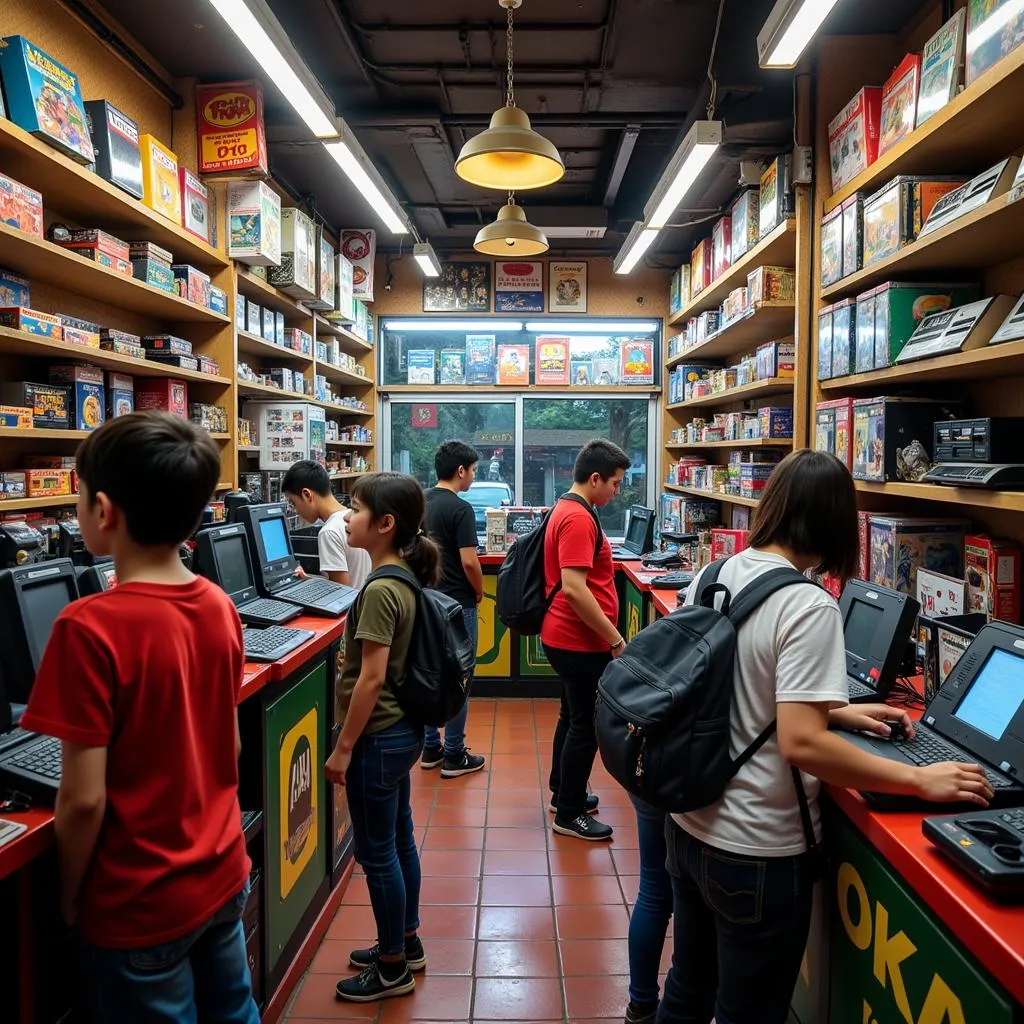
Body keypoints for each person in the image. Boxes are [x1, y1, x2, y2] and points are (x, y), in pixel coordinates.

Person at [659, 449, 994, 1024]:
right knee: (748, 1013)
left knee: (687, 990)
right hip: (758, 849)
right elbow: (801, 746)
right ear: (837, 521)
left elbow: (734, 684)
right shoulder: (809, 604)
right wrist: (919, 778)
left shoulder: (715, 576)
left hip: (691, 825)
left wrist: (835, 712)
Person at [21, 412, 258, 1024]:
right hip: (223, 870)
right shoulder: (217, 604)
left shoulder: (86, 626)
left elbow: (81, 802)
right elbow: (227, 746)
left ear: (103, 511)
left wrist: (72, 899)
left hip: (138, 902)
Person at [325, 472, 440, 1003]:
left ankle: (391, 966)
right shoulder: (403, 579)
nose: (346, 517)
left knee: (377, 858)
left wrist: (343, 747)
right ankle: (405, 942)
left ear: (386, 524)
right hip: (404, 734)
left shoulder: (378, 590)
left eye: (355, 508)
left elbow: (371, 678)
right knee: (397, 842)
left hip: (376, 737)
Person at [542, 438, 631, 841]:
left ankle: (564, 792)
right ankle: (571, 813)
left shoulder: (570, 507)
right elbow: (575, 588)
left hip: (568, 638)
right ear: (594, 478)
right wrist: (615, 638)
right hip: (578, 641)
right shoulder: (578, 518)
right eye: (614, 483)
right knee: (586, 726)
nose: (616, 491)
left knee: (571, 716)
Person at [421, 440, 486, 777]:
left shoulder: (419, 502)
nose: (473, 477)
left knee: (430, 673)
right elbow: (469, 561)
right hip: (457, 605)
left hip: (425, 600)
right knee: (460, 677)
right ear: (460, 471)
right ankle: (455, 753)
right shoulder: (461, 509)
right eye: (473, 470)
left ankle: (430, 747)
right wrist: (480, 591)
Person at [282, 459, 371, 588]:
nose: (296, 510)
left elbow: (341, 594)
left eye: (293, 503)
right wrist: (309, 579)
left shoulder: (329, 532)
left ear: (307, 495)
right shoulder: (353, 518)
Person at [624, 796, 673, 1024]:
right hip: (696, 795)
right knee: (688, 901)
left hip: (649, 778)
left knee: (652, 893)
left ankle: (640, 1008)